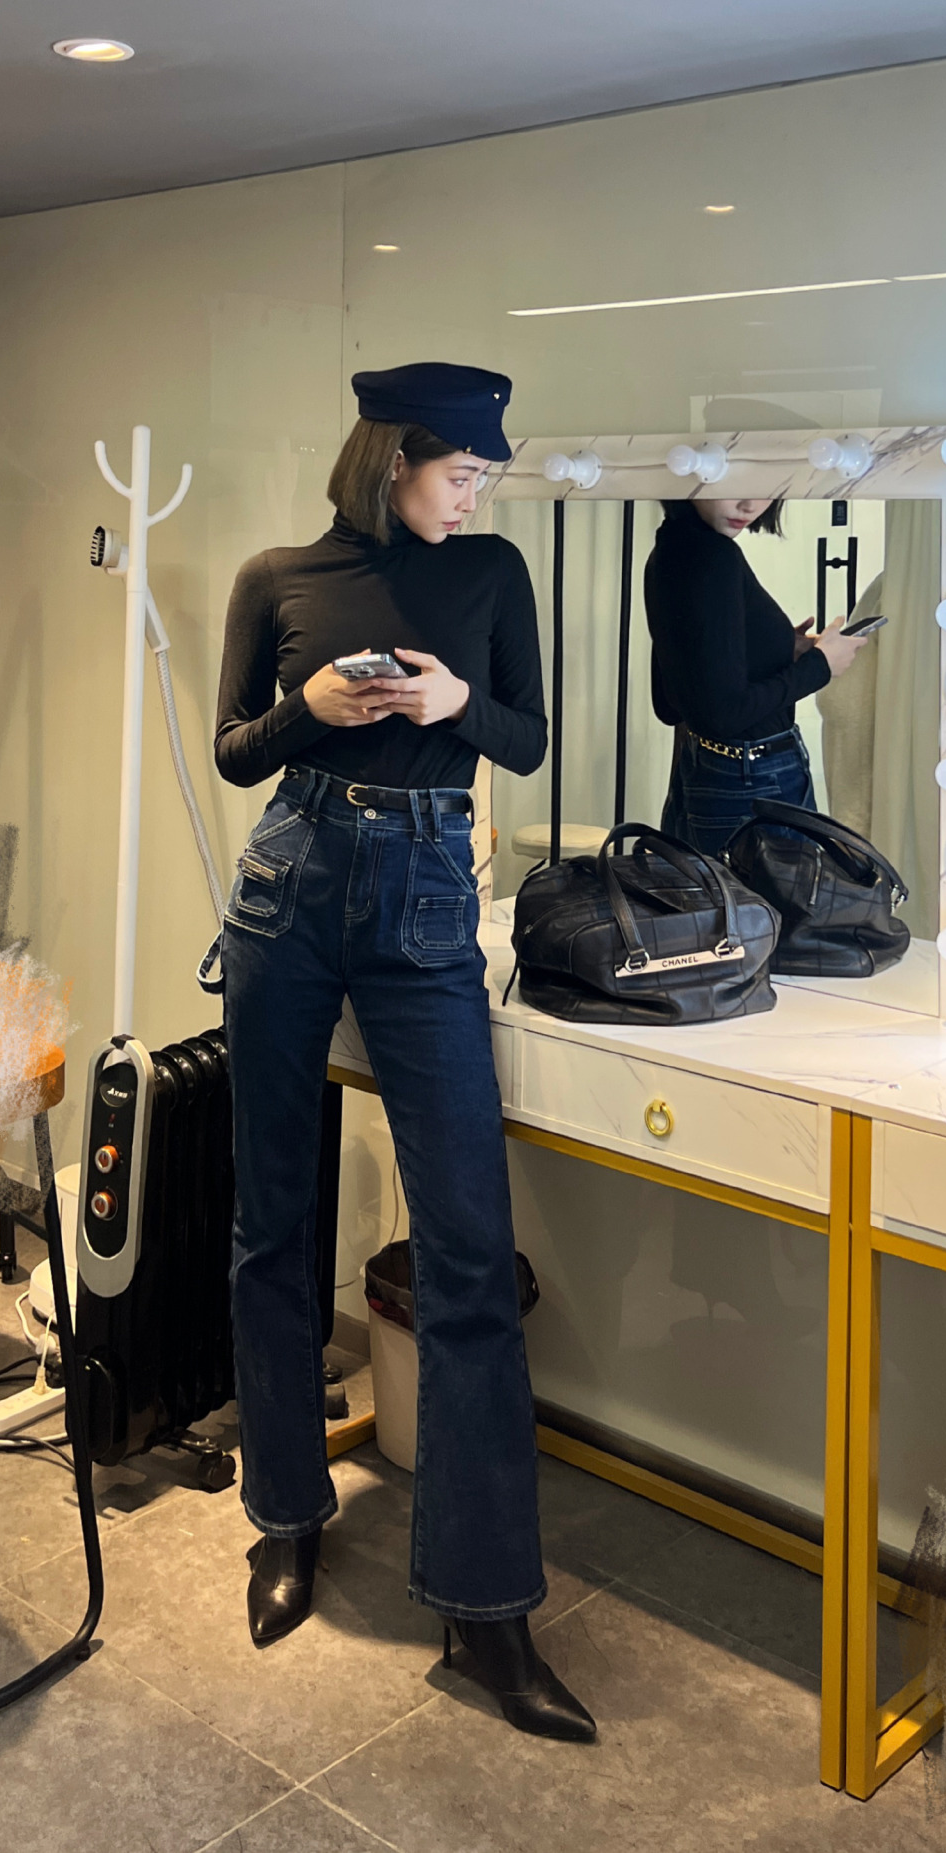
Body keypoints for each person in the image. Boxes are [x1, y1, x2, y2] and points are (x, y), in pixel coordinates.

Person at [212, 361, 596, 1743]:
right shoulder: (277, 577)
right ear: (392, 461)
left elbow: (528, 739)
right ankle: (284, 1516)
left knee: (469, 1252)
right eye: (462, 471)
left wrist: (450, 708)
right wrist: (310, 709)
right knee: (272, 1219)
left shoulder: (492, 575)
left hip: (430, 891)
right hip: (291, 879)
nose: (477, 493)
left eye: (486, 475)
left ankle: (487, 1609)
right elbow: (235, 752)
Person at [644, 496, 868, 859]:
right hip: (753, 777)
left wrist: (775, 648)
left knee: (709, 895)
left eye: (765, 488)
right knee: (773, 898)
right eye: (735, 485)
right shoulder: (714, 556)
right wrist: (821, 665)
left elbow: (674, 699)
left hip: (707, 769)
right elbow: (723, 714)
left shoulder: (670, 547)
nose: (750, 505)